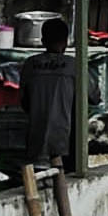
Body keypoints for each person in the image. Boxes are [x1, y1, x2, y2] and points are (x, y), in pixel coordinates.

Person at [21, 15, 81, 167]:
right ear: (66, 42)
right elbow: (94, 96)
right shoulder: (73, 65)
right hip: (65, 142)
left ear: (42, 41)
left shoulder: (30, 64)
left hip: (35, 140)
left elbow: (24, 101)